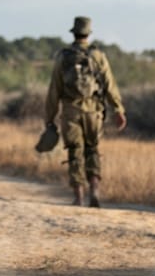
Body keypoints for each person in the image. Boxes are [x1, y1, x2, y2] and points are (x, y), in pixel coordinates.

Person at [45, 16, 126, 207]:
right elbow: (109, 85)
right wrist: (118, 109)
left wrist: (50, 118)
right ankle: (95, 191)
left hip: (71, 112)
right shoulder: (98, 56)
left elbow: (54, 90)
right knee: (93, 150)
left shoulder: (63, 57)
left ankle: (79, 196)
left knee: (75, 152)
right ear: (88, 34)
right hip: (94, 113)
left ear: (73, 33)